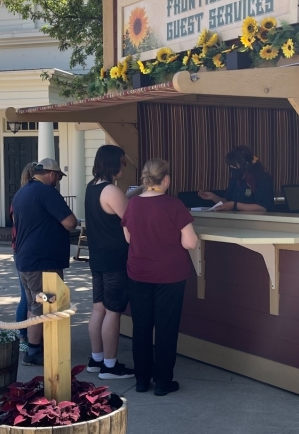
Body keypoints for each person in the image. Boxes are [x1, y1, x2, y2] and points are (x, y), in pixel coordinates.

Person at [121, 158, 198, 396]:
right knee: (166, 328)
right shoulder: (174, 205)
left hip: (138, 273)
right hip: (170, 275)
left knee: (141, 326)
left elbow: (128, 238)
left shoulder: (132, 205)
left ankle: (142, 379)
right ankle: (163, 382)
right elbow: (190, 242)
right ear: (166, 180)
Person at [12, 157, 78, 367]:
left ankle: (34, 348)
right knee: (46, 306)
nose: (58, 180)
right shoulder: (47, 192)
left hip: (25, 258)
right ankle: (35, 351)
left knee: (34, 305)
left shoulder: (21, 192)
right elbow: (70, 222)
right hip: (43, 261)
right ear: (51, 174)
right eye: (58, 176)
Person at [84, 144, 133, 379]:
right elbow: (131, 220)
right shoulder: (111, 191)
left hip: (97, 255)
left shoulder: (91, 187)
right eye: (123, 162)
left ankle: (96, 359)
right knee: (114, 311)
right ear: (113, 162)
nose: (124, 166)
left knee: (98, 308)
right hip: (115, 257)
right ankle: (110, 366)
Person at [198, 145, 274, 214]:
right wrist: (213, 197)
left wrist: (235, 205)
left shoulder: (262, 178)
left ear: (245, 163)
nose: (232, 167)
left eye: (234, 165)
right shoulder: (236, 178)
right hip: (236, 220)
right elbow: (227, 202)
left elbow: (262, 207)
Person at [10, 162, 37, 354]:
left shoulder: (19, 197)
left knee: (27, 296)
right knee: (26, 297)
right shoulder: (29, 198)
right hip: (24, 250)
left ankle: (26, 334)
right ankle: (22, 334)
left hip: (19, 250)